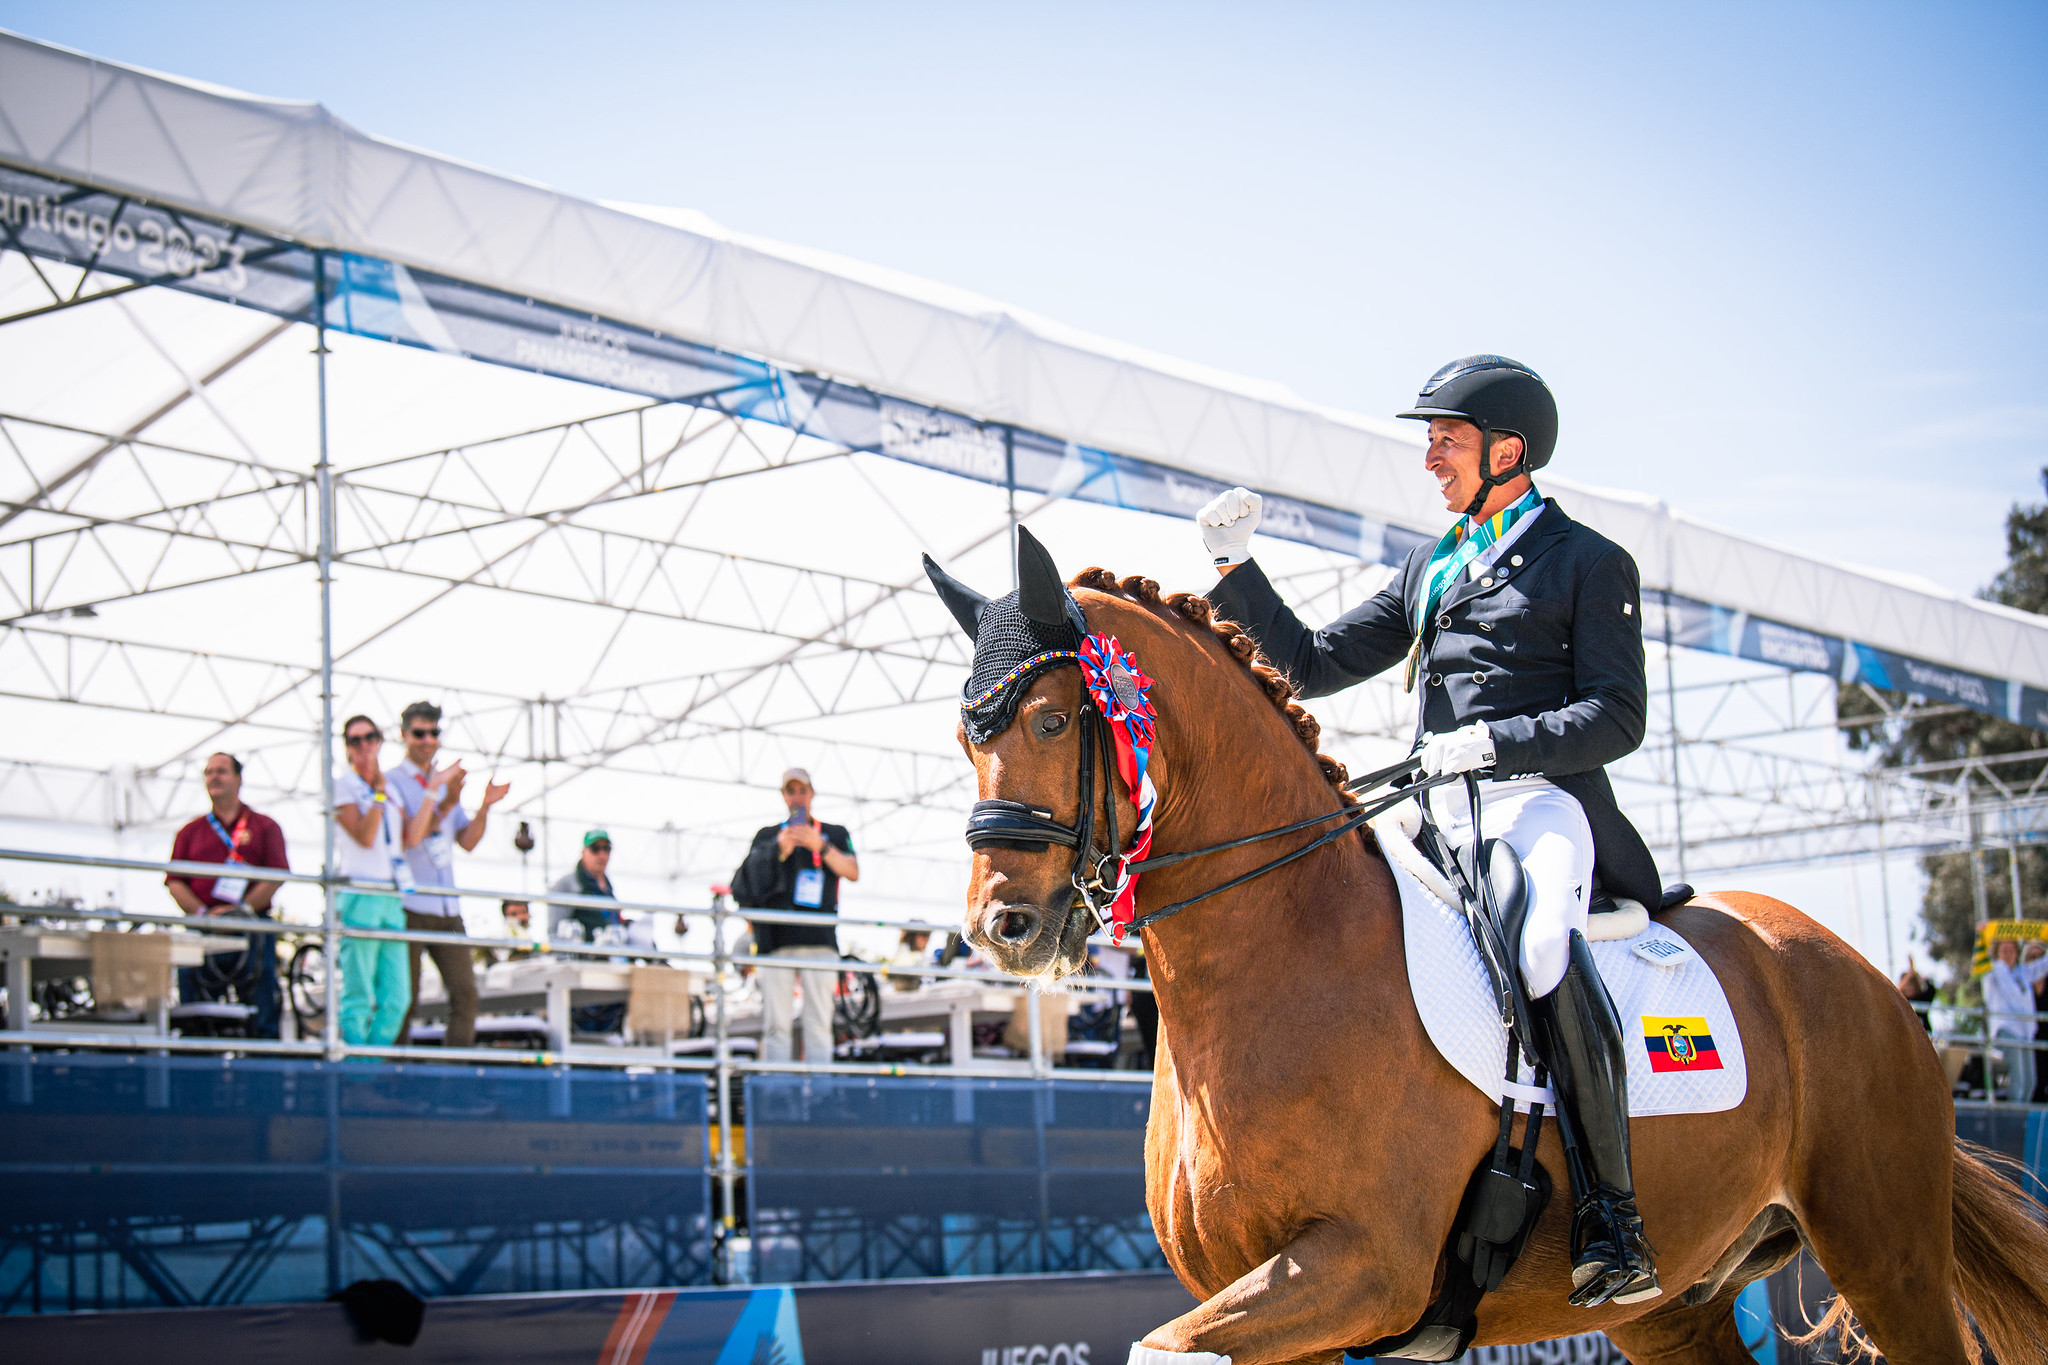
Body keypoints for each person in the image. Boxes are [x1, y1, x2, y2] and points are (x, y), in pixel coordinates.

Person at [1199, 355, 1661, 1307]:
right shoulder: (1433, 563)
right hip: (1431, 809)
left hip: (1539, 802)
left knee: (1538, 948)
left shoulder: (1589, 560)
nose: (1430, 458)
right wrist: (1235, 570)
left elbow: (1619, 716)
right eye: (1431, 441)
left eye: (1444, 440)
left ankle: (1614, 1216)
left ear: (1508, 449)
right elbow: (1314, 666)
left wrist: (1494, 741)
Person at [387, 701, 509, 1049]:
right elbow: (411, 835)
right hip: (408, 905)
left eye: (434, 732)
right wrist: (444, 798)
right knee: (404, 999)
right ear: (404, 735)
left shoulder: (444, 782)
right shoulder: (392, 782)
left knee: (466, 995)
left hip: (447, 907)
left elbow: (466, 841)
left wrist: (484, 805)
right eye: (419, 733)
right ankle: (394, 1083)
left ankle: (455, 1080)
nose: (427, 740)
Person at [732, 768, 858, 1062]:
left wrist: (820, 845)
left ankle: (820, 1095)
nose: (797, 796)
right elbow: (744, 883)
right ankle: (777, 1096)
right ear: (784, 795)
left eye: (802, 790)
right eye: (791, 791)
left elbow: (852, 871)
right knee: (776, 1026)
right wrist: (777, 850)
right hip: (776, 943)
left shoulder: (835, 833)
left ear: (812, 792)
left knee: (819, 1024)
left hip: (820, 941)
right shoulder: (767, 836)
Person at [165, 752, 287, 1037]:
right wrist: (204, 916)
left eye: (221, 771)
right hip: (203, 928)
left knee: (262, 999)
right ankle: (200, 1063)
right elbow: (175, 881)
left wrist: (238, 912)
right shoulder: (189, 832)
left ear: (238, 778)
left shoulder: (264, 826)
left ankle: (264, 1067)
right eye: (208, 772)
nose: (214, 777)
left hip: (251, 926)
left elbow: (277, 875)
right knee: (195, 1001)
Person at [333, 714, 418, 1047]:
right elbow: (366, 836)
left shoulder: (391, 787)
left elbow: (410, 836)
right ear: (347, 748)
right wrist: (379, 796)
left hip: (391, 896)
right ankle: (355, 1078)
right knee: (359, 995)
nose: (364, 745)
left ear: (380, 740)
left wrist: (440, 792)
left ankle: (366, 1071)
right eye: (355, 740)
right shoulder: (343, 785)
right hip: (360, 894)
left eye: (370, 737)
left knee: (398, 998)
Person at [1986, 937, 2048, 1104]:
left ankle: (2022, 1121)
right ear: (1997, 954)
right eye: (2004, 951)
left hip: (2025, 1033)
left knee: (2030, 1082)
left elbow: (2042, 966)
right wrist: (1982, 934)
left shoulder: (2022, 973)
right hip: (2006, 1029)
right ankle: (2013, 1122)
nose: (2008, 955)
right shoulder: (1992, 973)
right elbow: (1980, 962)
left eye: (2012, 950)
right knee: (2018, 1079)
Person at [548, 831, 621, 941]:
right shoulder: (566, 884)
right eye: (595, 849)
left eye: (606, 849)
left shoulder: (608, 888)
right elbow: (554, 931)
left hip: (610, 954)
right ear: (583, 852)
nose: (602, 855)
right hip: (581, 955)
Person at [1896, 958, 1937, 1035]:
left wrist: (1916, 974)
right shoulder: (1902, 999)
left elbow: (1931, 988)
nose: (1909, 988)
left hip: (1925, 1036)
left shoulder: (1923, 998)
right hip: (1908, 1036)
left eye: (1912, 985)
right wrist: (1909, 974)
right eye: (1907, 986)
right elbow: (1896, 991)